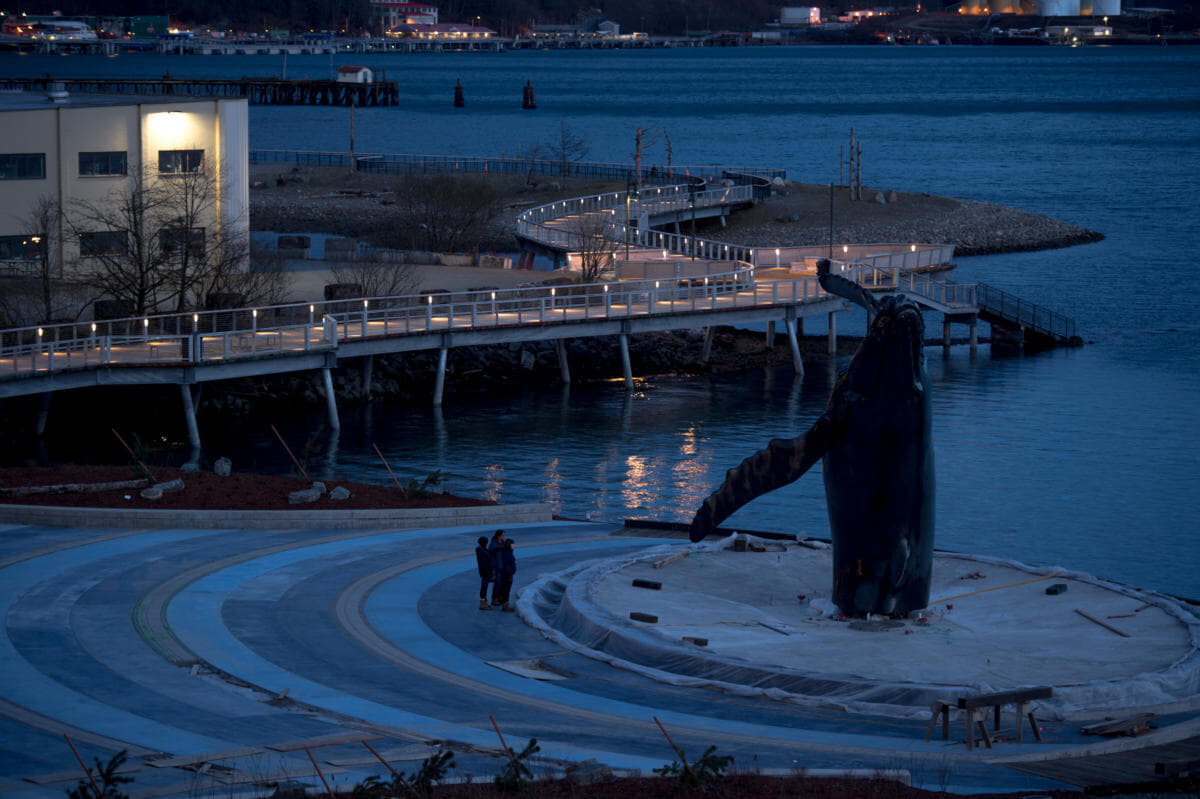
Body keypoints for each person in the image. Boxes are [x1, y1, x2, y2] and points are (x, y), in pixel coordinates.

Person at [495, 537, 517, 612]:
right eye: (512, 544)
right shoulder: (508, 553)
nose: (514, 546)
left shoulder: (506, 552)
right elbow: (507, 565)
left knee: (504, 589)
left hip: (504, 574)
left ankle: (502, 602)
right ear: (509, 545)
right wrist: (510, 574)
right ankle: (505, 606)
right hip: (507, 575)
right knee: (506, 590)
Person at [487, 529, 506, 606]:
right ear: (499, 536)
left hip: (502, 566)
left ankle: (499, 597)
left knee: (501, 583)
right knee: (497, 583)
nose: (504, 536)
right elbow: (492, 551)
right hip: (496, 566)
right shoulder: (493, 543)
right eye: (503, 535)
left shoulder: (502, 542)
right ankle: (494, 599)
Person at [475, 536, 493, 611]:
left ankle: (484, 602)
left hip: (486, 572)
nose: (487, 543)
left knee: (484, 587)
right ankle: (483, 604)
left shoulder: (483, 550)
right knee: (484, 587)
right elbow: (483, 564)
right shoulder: (482, 551)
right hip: (485, 572)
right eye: (486, 542)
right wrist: (488, 573)